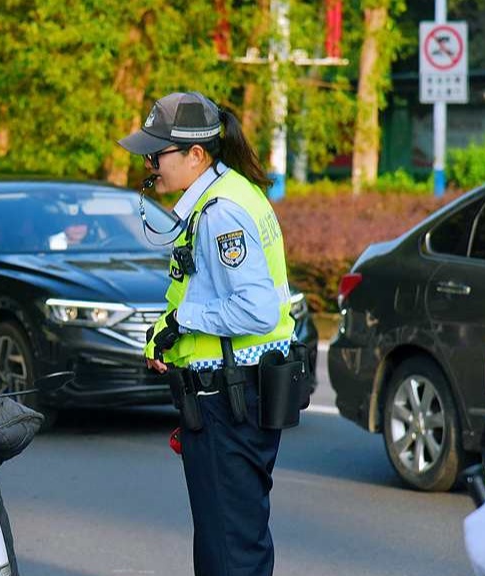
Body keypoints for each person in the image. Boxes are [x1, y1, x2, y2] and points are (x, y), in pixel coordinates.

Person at [119, 91, 296, 576]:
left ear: (196, 155)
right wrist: (169, 334)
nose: (150, 162)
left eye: (157, 153)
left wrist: (182, 323)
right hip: (237, 393)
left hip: (230, 399)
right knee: (233, 538)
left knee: (228, 551)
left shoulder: (220, 212)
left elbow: (255, 310)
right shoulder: (226, 194)